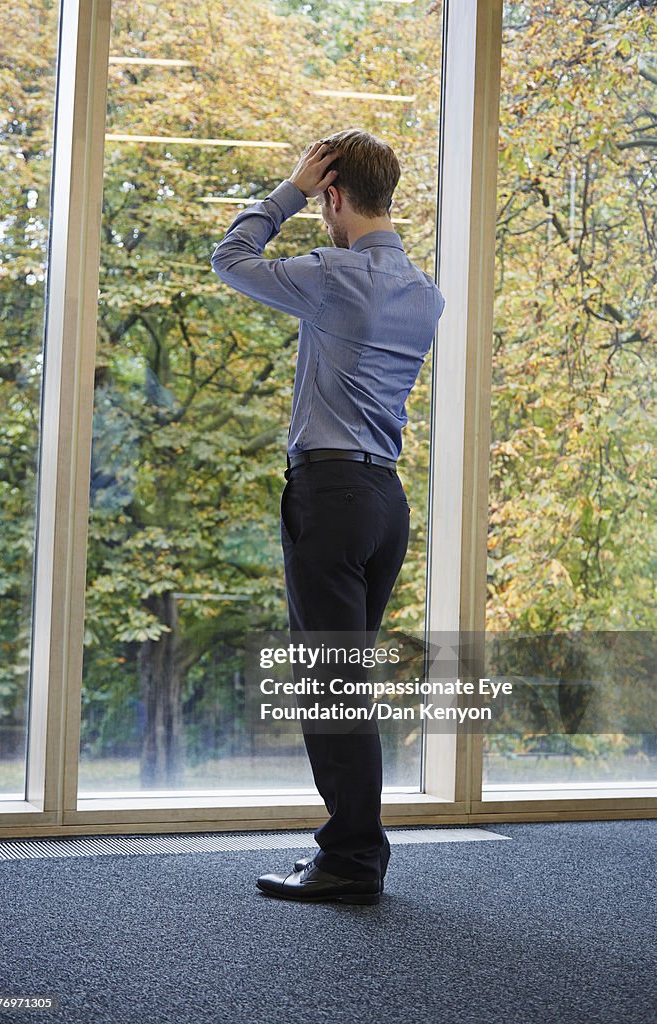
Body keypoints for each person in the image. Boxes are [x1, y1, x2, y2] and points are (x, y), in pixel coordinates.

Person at [211, 129, 445, 904]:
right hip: (384, 504)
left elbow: (230, 259)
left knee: (330, 688)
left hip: (332, 497)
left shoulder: (337, 274)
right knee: (346, 686)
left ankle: (348, 860)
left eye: (320, 199)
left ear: (333, 194)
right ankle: (353, 853)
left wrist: (285, 192)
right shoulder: (423, 289)